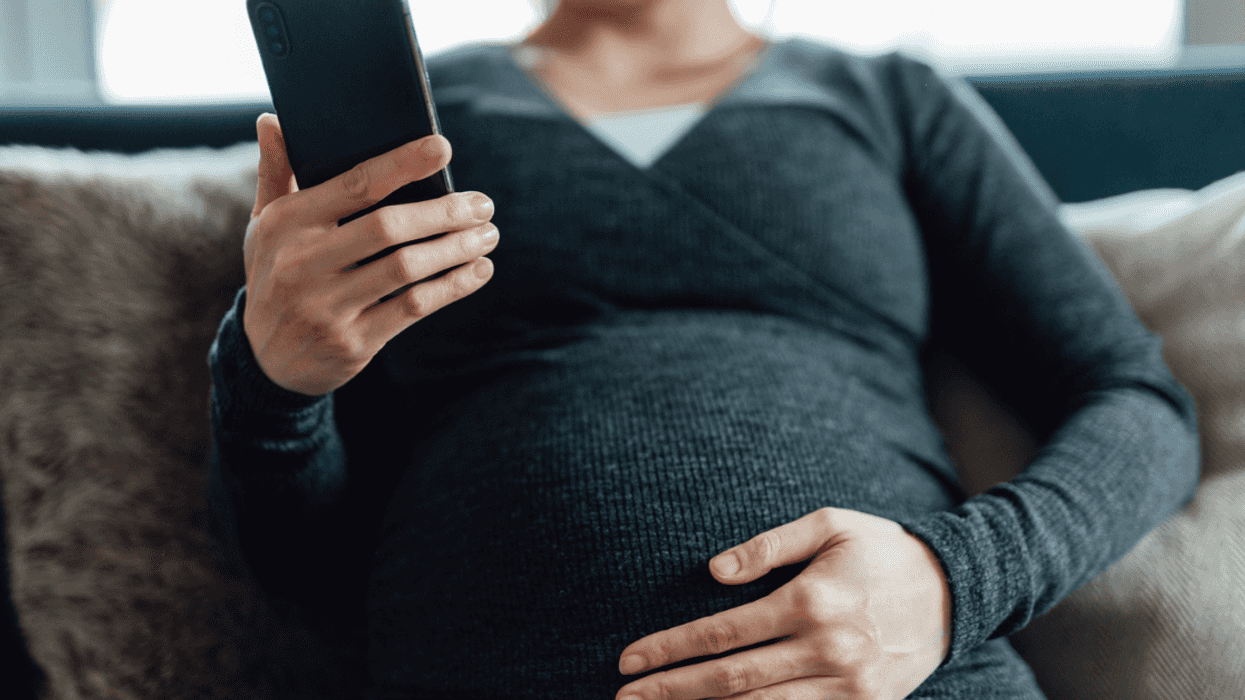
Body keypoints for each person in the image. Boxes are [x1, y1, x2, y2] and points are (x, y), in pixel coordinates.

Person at [206, 0, 1202, 698]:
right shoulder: (406, 130)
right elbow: (305, 571)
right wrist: (274, 384)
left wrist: (953, 580)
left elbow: (1134, 398)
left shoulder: (885, 97)